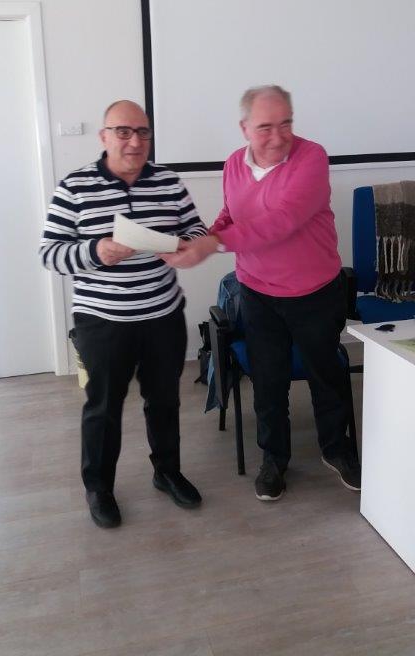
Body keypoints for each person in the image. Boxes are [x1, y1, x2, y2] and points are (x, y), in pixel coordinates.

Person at [162, 85, 361, 501]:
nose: (278, 136)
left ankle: (336, 449)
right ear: (244, 129)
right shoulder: (234, 164)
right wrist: (202, 237)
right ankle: (274, 459)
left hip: (314, 292)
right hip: (257, 293)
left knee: (327, 375)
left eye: (286, 123)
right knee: (268, 383)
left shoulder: (312, 157)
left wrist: (212, 245)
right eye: (266, 127)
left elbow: (281, 221)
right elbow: (231, 214)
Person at [40, 100, 206, 528]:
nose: (135, 141)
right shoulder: (74, 187)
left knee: (164, 400)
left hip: (162, 314)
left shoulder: (168, 182)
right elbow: (50, 254)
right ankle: (99, 487)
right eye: (123, 131)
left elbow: (196, 228)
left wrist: (189, 247)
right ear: (104, 136)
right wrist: (94, 251)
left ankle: (166, 472)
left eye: (143, 132)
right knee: (103, 407)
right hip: (102, 320)